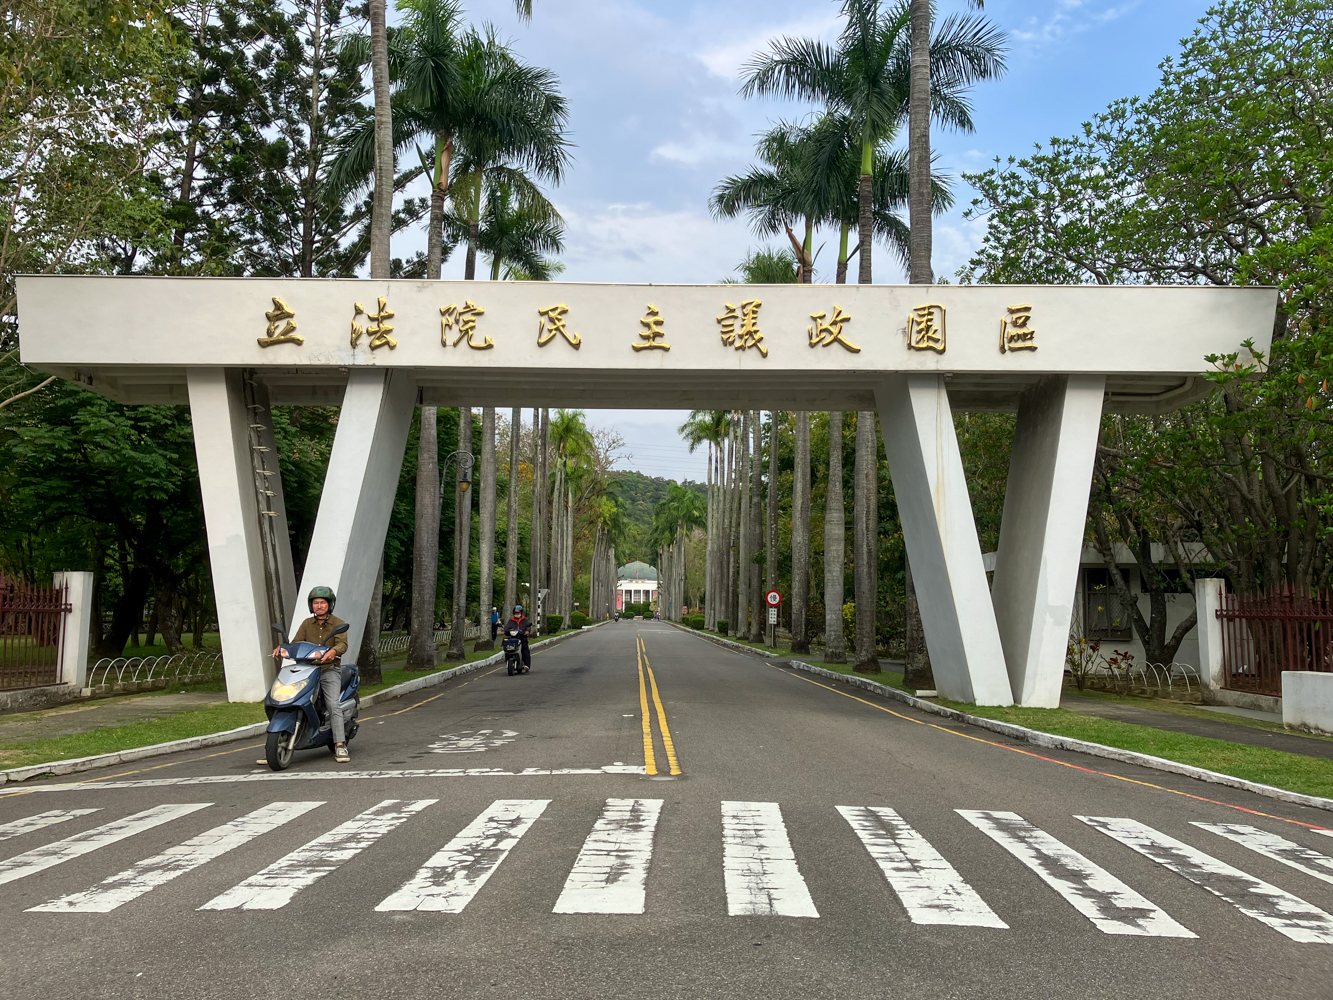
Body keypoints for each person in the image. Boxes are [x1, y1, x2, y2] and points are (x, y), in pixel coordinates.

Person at [275, 585, 351, 763]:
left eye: (323, 602)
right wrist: (283, 648)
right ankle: (276, 742)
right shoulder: (306, 623)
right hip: (307, 670)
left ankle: (340, 745)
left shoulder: (338, 624)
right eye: (316, 603)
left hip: (328, 670)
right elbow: (295, 643)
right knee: (287, 697)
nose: (319, 606)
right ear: (311, 605)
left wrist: (334, 651)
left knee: (333, 704)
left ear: (329, 604)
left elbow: (342, 645)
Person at [506, 604, 532, 670]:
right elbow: (507, 627)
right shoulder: (511, 620)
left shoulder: (525, 620)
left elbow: (528, 626)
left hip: (522, 637)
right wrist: (504, 631)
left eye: (518, 612)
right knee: (507, 645)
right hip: (513, 638)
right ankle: (507, 658)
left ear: (521, 612)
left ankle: (527, 665)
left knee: (525, 648)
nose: (517, 614)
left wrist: (527, 631)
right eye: (515, 612)